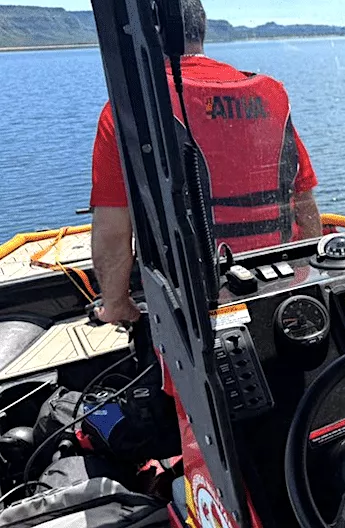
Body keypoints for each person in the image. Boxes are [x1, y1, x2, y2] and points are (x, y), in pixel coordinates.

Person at [90, 0, 322, 323]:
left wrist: (116, 305)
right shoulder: (273, 94)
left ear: (152, 28)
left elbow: (113, 232)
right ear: (201, 28)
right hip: (283, 296)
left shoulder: (128, 112)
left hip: (193, 315)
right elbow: (305, 204)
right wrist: (305, 280)